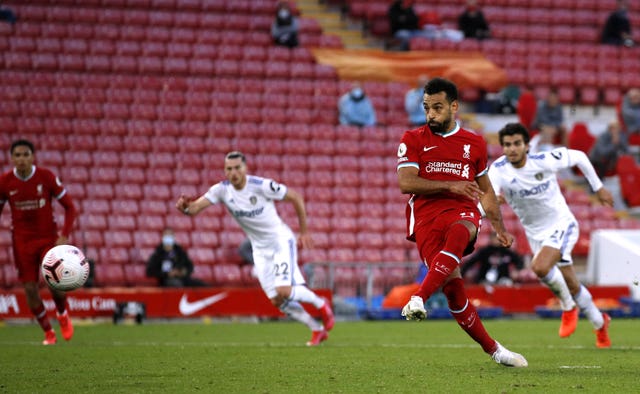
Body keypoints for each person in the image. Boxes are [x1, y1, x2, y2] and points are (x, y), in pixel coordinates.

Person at [397, 77, 528, 367]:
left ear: (454, 107)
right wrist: (451, 185)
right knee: (453, 290)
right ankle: (494, 349)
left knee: (463, 228)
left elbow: (486, 190)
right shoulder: (413, 139)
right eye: (427, 107)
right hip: (426, 217)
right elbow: (406, 183)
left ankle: (418, 297)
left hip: (462, 210)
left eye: (438, 107)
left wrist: (499, 227)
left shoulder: (475, 143)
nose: (430, 114)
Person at [175, 151, 334, 346]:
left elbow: (295, 197)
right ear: (225, 171)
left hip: (280, 241)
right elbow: (194, 208)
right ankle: (317, 329)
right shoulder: (221, 190)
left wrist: (303, 231)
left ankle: (321, 303)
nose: (233, 173)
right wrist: (184, 207)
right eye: (229, 169)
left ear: (245, 168)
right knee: (276, 300)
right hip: (259, 249)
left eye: (237, 168)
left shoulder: (261, 186)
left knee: (283, 290)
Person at [488, 123, 613, 348]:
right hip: (536, 234)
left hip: (562, 224)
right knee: (572, 283)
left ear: (527, 146)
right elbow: (491, 197)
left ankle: (567, 307)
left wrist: (598, 187)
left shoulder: (543, 160)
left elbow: (580, 157)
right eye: (507, 145)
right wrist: (493, 202)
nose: (512, 149)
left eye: (517, 143)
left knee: (540, 267)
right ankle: (600, 323)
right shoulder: (498, 170)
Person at [0, 139, 78, 345]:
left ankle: (62, 313)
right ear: (12, 158)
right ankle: (48, 333)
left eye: (26, 155)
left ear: (33, 157)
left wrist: (64, 234)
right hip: (22, 243)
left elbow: (70, 207)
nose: (22, 159)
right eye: (18, 155)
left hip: (47, 239)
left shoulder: (46, 177)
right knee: (30, 289)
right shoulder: (5, 182)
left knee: (55, 283)